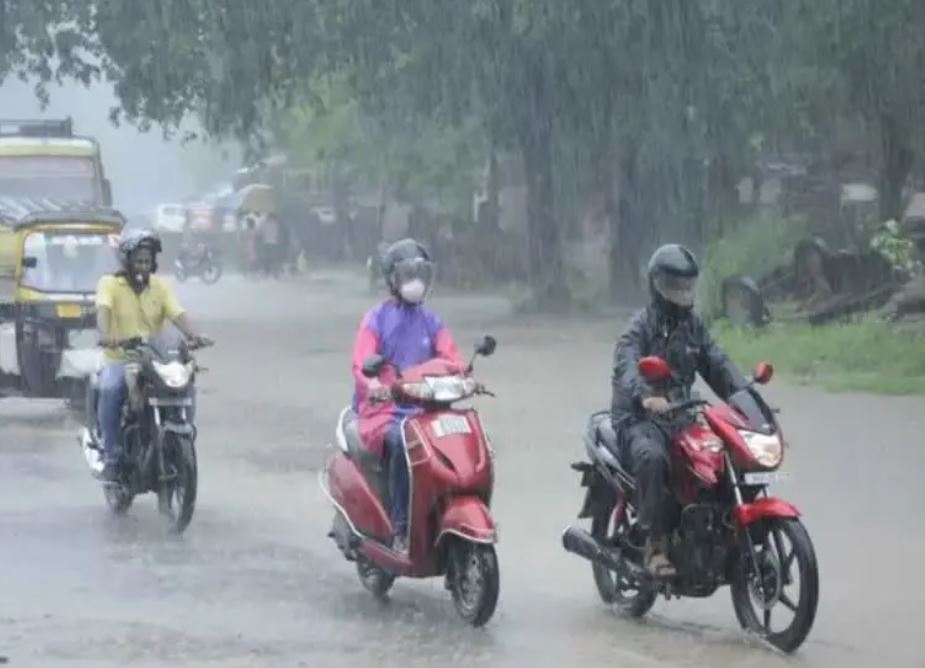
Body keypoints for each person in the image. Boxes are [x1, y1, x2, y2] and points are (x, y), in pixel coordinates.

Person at [611, 244, 746, 577]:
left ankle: (722, 532)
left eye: (688, 286)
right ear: (657, 285)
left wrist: (747, 399)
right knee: (653, 458)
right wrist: (645, 396)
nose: (683, 293)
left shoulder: (692, 327)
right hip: (640, 419)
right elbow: (626, 367)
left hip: (682, 415)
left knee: (722, 455)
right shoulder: (639, 327)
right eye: (676, 286)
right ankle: (655, 545)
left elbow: (717, 363)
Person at [351, 238, 463, 553]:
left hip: (426, 409)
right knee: (404, 445)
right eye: (407, 274)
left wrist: (464, 378)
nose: (415, 283)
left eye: (420, 274)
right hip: (385, 412)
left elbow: (451, 359)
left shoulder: (432, 321)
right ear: (391, 280)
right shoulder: (375, 319)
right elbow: (362, 363)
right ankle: (401, 527)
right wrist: (374, 386)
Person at [94, 229, 211, 482]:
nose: (143, 267)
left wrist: (194, 335)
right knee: (111, 389)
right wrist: (106, 336)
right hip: (120, 358)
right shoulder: (109, 284)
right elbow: (102, 311)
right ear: (127, 261)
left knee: (184, 385)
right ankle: (112, 455)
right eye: (138, 261)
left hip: (154, 358)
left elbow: (177, 313)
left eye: (147, 262)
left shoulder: (160, 287)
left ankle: (182, 436)